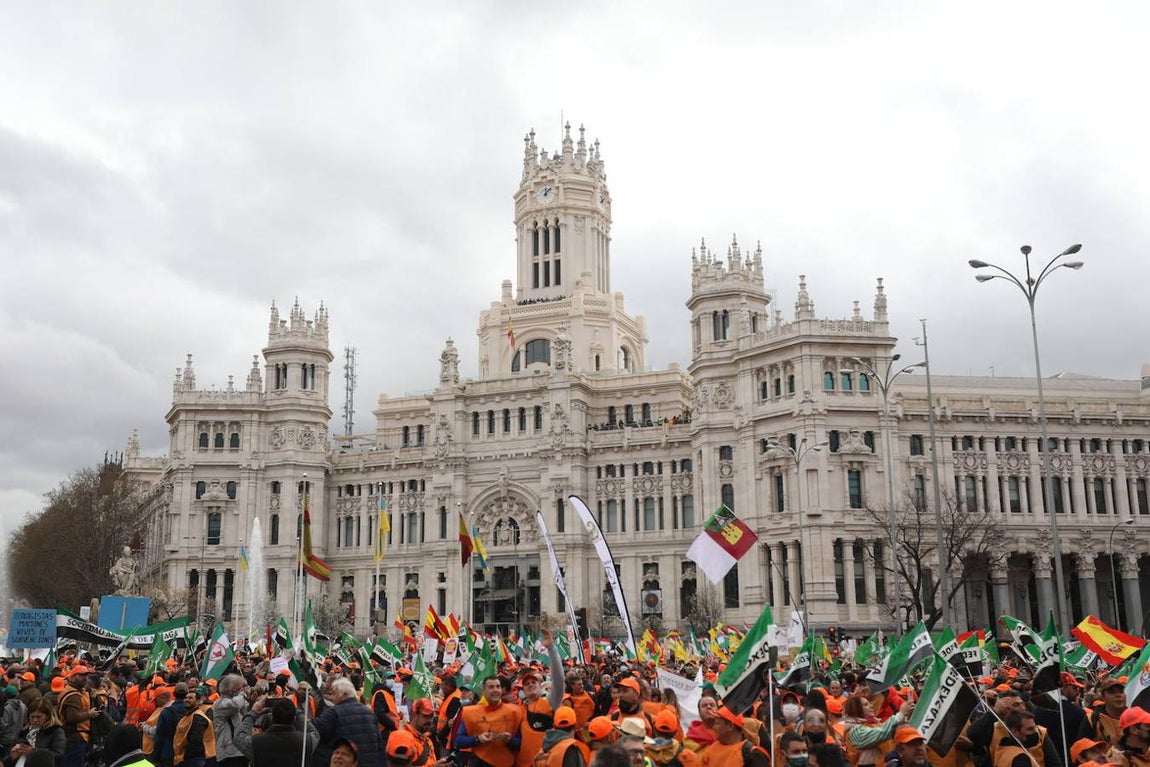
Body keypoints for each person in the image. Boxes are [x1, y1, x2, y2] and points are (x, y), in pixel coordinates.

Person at [310, 677, 384, 767]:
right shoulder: (369, 713)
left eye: (333, 693)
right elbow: (379, 744)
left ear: (344, 694)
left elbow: (316, 730)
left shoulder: (334, 712)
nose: (330, 697)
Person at [456, 676, 525, 767]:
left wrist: (509, 740)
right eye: (491, 687)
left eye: (498, 686)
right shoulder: (471, 712)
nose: (495, 690)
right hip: (480, 762)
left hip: (506, 762)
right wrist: (478, 739)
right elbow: (459, 741)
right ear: (483, 691)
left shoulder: (514, 711)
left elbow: (521, 744)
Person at [235, 695, 314, 767]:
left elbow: (239, 737)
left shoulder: (256, 742)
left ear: (272, 718)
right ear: (294, 719)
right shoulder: (306, 741)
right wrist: (297, 711)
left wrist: (253, 712)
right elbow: (313, 732)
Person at [4, 698, 66, 766]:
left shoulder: (56, 731)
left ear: (47, 716)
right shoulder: (23, 732)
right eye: (32, 717)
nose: (35, 720)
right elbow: (5, 762)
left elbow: (59, 756)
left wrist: (35, 752)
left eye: (38, 717)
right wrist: (12, 757)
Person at [700, 705, 768, 767]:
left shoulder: (752, 755)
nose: (714, 727)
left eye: (717, 723)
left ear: (730, 726)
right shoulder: (710, 751)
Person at [58, 666, 97, 767]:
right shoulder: (73, 695)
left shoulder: (75, 691)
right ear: (72, 677)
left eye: (86, 675)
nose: (85, 678)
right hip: (75, 737)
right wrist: (89, 714)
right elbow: (72, 717)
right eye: (81, 675)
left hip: (75, 736)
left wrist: (91, 695)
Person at [213, 673, 249, 767]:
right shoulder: (221, 704)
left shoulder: (239, 701)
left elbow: (248, 713)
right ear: (232, 689)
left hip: (241, 750)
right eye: (240, 687)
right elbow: (235, 705)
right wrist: (243, 693)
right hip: (229, 752)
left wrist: (253, 699)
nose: (243, 689)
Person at [173, 685, 215, 767]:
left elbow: (196, 740)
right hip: (188, 758)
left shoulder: (198, 716)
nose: (187, 700)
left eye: (190, 698)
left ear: (199, 701)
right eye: (186, 698)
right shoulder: (188, 716)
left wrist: (186, 756)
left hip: (197, 759)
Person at [1081, 679, 1129, 746]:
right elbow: (1082, 751)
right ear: (1103, 697)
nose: (1118, 695)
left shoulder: (1135, 717)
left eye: (1121, 691)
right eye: (1112, 692)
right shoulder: (1092, 720)